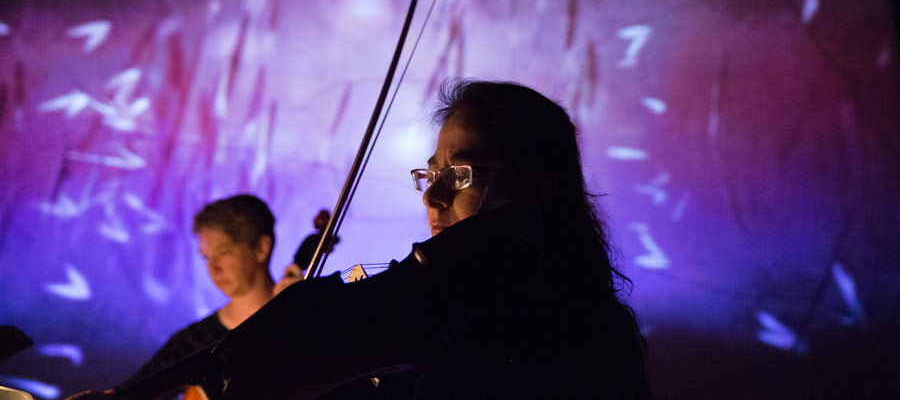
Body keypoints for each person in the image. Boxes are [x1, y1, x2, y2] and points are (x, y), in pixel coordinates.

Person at [102, 80, 653, 399]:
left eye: (460, 175)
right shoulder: (431, 302)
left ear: (537, 184)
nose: (431, 196)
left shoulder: (576, 337)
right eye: (429, 171)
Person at [66, 194, 279, 400]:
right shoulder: (192, 341)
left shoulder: (299, 323)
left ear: (261, 248)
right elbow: (135, 390)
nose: (213, 268)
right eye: (206, 256)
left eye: (224, 252)